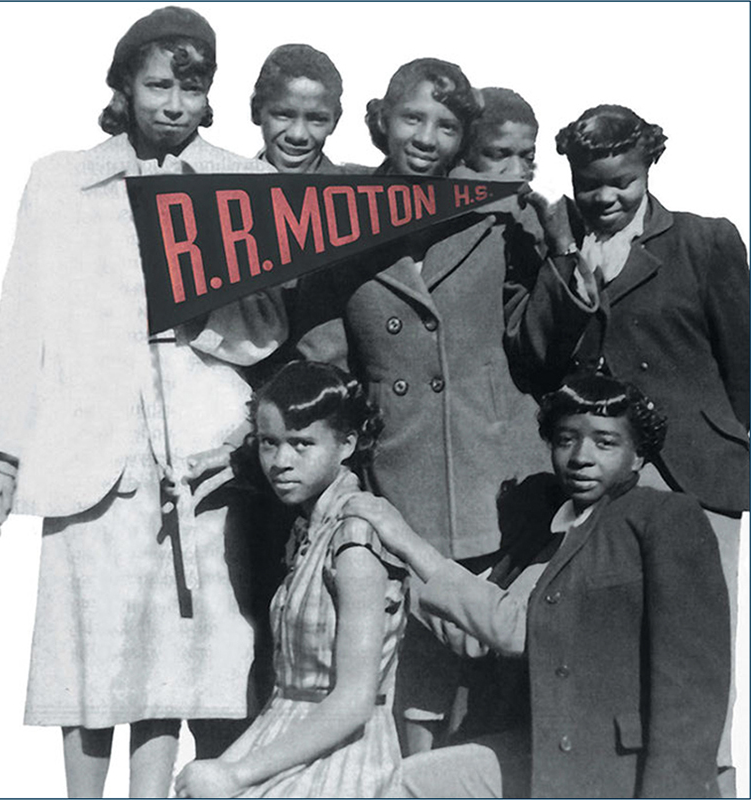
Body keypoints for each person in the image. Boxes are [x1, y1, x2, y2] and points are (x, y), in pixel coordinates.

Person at [0, 7, 287, 797]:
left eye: (192, 88)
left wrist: (200, 316)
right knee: (89, 656)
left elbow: (269, 328)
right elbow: (23, 318)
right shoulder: (60, 178)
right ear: (122, 85)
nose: (174, 105)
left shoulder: (243, 183)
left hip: (203, 443)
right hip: (87, 441)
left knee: (175, 659)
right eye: (157, 86)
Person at [292, 74, 549, 754]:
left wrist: (559, 260)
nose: (426, 140)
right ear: (382, 120)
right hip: (401, 474)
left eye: (445, 127)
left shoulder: (500, 212)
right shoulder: (335, 218)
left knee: (497, 672)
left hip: (497, 470)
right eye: (412, 120)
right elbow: (326, 361)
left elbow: (538, 338)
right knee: (420, 680)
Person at [504, 104, 749, 792]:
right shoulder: (558, 247)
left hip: (693, 476)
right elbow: (536, 358)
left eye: (622, 182)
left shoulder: (704, 241)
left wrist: (732, 454)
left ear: (649, 169)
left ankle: (708, 781)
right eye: (588, 185)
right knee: (608, 645)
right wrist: (559, 259)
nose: (605, 199)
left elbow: (746, 364)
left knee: (694, 650)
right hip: (598, 476)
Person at [344, 373, 731, 798]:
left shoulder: (660, 517)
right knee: (402, 782)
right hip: (539, 745)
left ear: (638, 455)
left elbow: (693, 685)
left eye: (605, 442)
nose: (581, 456)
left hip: (613, 765)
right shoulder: (544, 527)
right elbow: (478, 638)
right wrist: (395, 573)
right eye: (566, 439)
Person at [174, 361, 407, 798]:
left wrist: (237, 774)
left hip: (343, 756)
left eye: (302, 444)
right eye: (269, 443)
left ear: (347, 444)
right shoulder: (309, 528)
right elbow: (286, 699)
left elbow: (354, 702)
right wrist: (226, 767)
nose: (281, 461)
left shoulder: (355, 539)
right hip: (286, 737)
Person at [251, 43, 345, 174]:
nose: (298, 135)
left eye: (317, 119)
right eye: (283, 115)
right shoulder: (226, 183)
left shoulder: (361, 188)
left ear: (335, 121)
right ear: (256, 111)